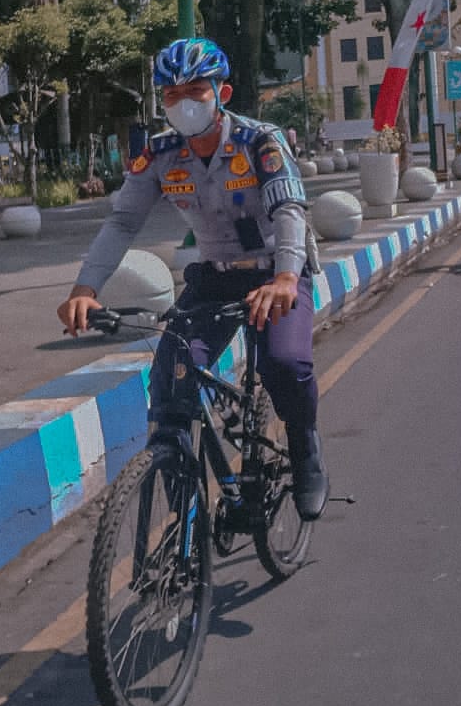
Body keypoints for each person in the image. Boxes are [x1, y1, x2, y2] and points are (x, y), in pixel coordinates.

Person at [57, 38, 328, 521]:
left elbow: (288, 209)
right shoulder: (159, 155)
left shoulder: (259, 140)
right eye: (171, 94)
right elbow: (122, 223)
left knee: (284, 364)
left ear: (221, 91)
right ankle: (186, 517)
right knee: (168, 384)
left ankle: (305, 450)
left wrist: (286, 278)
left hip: (275, 273)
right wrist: (85, 289)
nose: (184, 102)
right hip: (215, 279)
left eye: (196, 89)